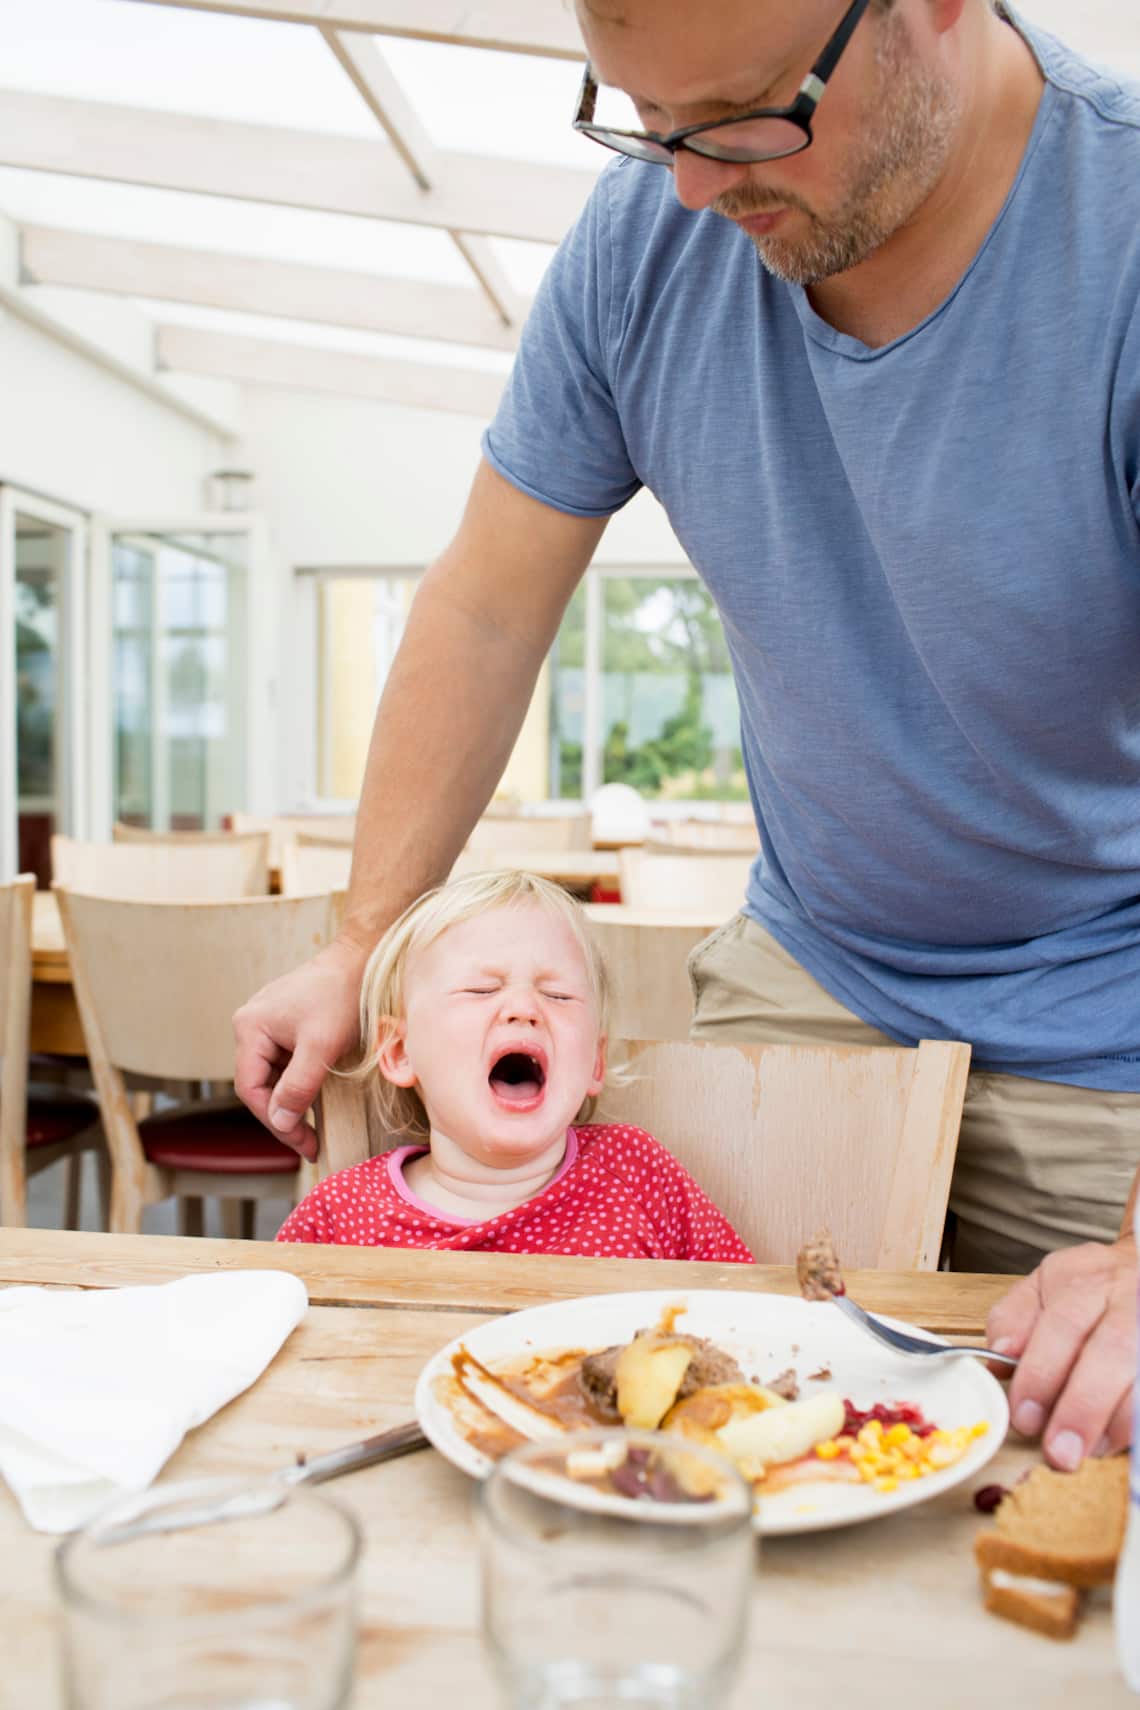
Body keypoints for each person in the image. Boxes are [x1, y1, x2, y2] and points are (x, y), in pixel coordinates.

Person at [236, 0, 1139, 1465]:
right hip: (818, 964)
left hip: (1117, 1023)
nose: (695, 188)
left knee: (1077, 1463)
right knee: (688, 1422)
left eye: (748, 114)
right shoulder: (643, 242)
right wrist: (364, 937)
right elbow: (485, 610)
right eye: (649, 126)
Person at [276, 870, 754, 1262]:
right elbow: (275, 1328)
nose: (524, 1008)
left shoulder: (639, 1175)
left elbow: (744, 1307)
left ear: (595, 1060)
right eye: (481, 990)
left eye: (558, 995)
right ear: (400, 1052)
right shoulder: (342, 1215)